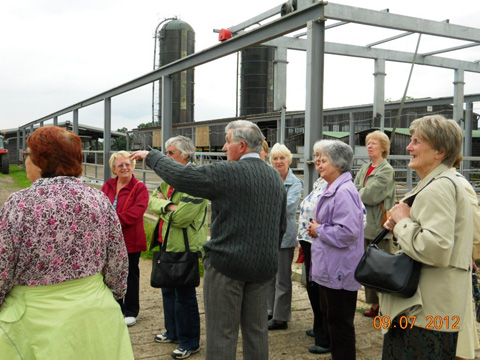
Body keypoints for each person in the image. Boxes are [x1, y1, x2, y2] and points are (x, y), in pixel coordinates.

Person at [131, 120, 287, 360]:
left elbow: (181, 176)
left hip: (227, 266)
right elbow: (281, 225)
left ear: (242, 145)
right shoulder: (275, 177)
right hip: (263, 267)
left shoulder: (226, 173)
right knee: (256, 333)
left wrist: (151, 156)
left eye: (227, 142)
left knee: (222, 334)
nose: (224, 148)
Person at [0, 126, 133, 359]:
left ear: (42, 161)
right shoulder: (98, 199)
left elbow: (2, 265)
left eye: (28, 155)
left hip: (36, 323)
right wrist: (108, 295)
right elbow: (118, 263)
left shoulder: (19, 204)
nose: (26, 161)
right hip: (94, 316)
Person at [381, 115, 473, 359]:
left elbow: (437, 248)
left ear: (440, 152)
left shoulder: (439, 187)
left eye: (417, 142)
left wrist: (402, 223)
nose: (409, 147)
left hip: (423, 312)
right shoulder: (445, 182)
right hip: (434, 308)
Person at [148, 136, 208, 359]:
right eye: (166, 152)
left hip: (184, 247)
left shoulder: (196, 180)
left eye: (171, 153)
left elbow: (182, 217)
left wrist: (164, 206)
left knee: (184, 296)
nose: (166, 157)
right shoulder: (169, 179)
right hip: (167, 243)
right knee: (167, 291)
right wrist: (168, 205)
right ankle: (172, 332)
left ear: (185, 154)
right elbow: (152, 200)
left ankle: (190, 342)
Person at [307, 141, 364, 359]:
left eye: (325, 160)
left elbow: (348, 232)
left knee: (340, 327)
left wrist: (319, 230)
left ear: (338, 165)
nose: (319, 163)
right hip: (331, 268)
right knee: (333, 322)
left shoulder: (343, 192)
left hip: (339, 270)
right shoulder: (335, 187)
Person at [101, 150, 149, 327]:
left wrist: (112, 221)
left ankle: (131, 311)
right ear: (114, 169)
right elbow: (101, 207)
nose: (124, 168)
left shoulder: (140, 188)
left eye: (128, 164)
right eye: (120, 165)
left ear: (133, 166)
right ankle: (116, 308)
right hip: (110, 241)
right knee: (111, 275)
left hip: (130, 240)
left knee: (130, 276)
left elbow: (136, 213)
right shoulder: (108, 186)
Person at [353, 130, 396, 317]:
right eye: (367, 143)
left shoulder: (386, 170)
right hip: (364, 225)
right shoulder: (365, 168)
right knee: (368, 267)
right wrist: (360, 191)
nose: (369, 146)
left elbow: (370, 196)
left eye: (374, 143)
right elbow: (354, 190)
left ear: (383, 148)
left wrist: (360, 191)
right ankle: (374, 305)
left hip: (379, 227)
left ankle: (387, 306)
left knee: (381, 269)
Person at [296, 140, 333, 343]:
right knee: (312, 286)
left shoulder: (334, 184)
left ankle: (325, 333)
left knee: (319, 287)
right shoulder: (320, 181)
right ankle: (319, 324)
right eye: (315, 155)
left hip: (319, 240)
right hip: (308, 239)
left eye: (322, 156)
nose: (317, 160)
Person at [267, 143, 302, 330]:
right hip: (268, 234)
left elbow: (288, 207)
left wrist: (265, 208)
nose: (279, 162)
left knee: (282, 277)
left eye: (282, 158)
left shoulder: (295, 183)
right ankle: (270, 310)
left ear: (289, 160)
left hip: (284, 235)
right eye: (275, 158)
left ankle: (281, 317)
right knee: (269, 276)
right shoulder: (269, 178)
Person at [451, 155, 480, 360]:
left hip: (454, 265)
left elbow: (475, 224)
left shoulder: (458, 183)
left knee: (459, 331)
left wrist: (471, 252)